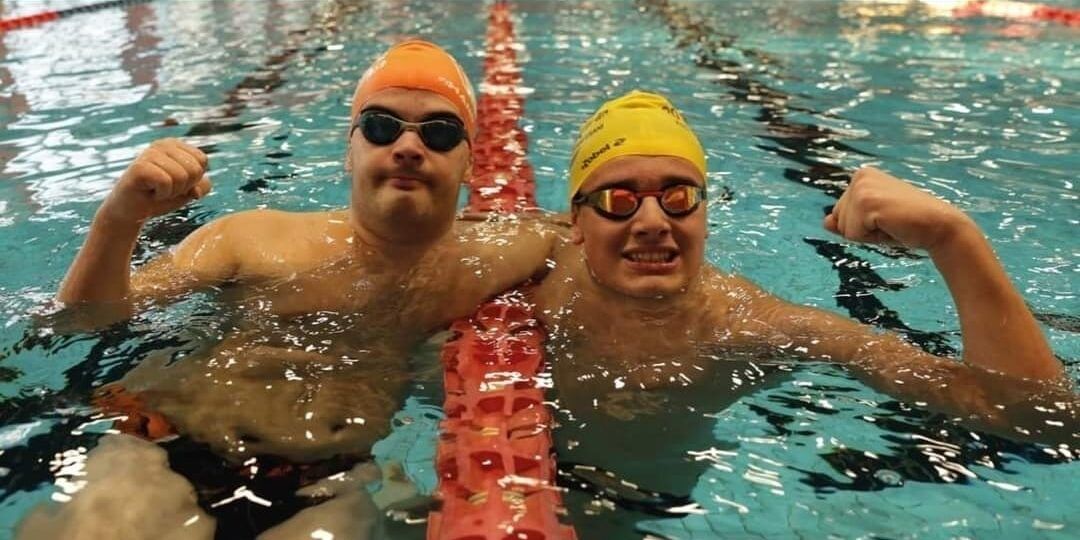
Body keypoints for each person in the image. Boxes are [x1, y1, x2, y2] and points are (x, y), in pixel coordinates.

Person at [27, 40, 558, 539]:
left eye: (439, 132)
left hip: (329, 483)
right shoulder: (253, 238)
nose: (408, 147)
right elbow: (82, 322)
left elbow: (599, 235)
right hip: (166, 446)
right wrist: (119, 219)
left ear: (469, 161)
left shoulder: (500, 255)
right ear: (349, 152)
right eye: (380, 127)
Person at [533, 91, 1074, 525]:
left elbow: (1037, 420)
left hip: (653, 506)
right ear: (575, 222)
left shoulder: (754, 326)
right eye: (617, 200)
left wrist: (955, 240)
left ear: (704, 215)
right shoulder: (535, 269)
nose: (653, 221)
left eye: (679, 197)